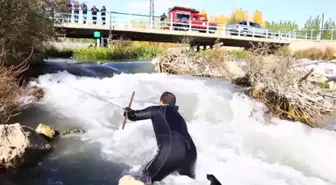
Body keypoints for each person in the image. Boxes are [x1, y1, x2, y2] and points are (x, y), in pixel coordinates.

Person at [122, 92, 197, 184]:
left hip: (172, 152)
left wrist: (128, 111)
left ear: (161, 101)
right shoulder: (180, 118)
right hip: (191, 154)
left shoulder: (158, 110)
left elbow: (133, 116)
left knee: (142, 178)